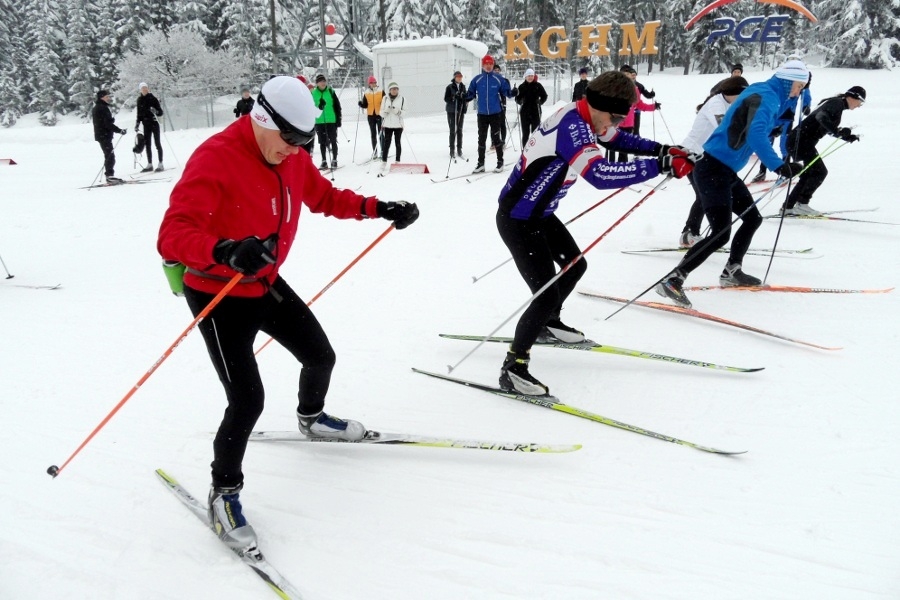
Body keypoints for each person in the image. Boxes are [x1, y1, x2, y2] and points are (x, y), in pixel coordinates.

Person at [156, 76, 419, 554]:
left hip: (265, 282)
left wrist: (378, 207)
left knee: (321, 356)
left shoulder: (291, 154)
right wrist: (225, 250)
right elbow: (173, 234)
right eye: (292, 139)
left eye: (307, 140)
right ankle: (225, 493)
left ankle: (311, 417)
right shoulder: (215, 158)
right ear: (262, 120)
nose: (298, 150)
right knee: (247, 399)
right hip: (219, 292)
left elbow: (323, 197)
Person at [495, 71, 695, 396]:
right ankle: (513, 368)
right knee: (544, 293)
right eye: (615, 116)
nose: (614, 123)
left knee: (575, 265)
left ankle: (548, 322)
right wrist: (661, 166)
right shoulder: (572, 126)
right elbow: (599, 174)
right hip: (519, 220)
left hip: (539, 214)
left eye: (622, 117)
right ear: (600, 106)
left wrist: (664, 150)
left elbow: (617, 138)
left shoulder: (587, 116)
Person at [655, 60, 811, 309]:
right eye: (798, 86)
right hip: (712, 168)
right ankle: (674, 279)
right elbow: (755, 134)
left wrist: (781, 120)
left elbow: (749, 124)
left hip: (724, 170)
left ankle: (732, 271)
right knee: (720, 233)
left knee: (752, 218)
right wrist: (779, 166)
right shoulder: (768, 97)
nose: (798, 91)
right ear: (788, 81)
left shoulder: (763, 91)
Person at [678, 76, 750, 248]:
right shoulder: (715, 104)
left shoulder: (730, 104)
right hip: (692, 153)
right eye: (741, 95)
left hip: (706, 156)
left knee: (705, 196)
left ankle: (691, 233)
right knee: (704, 196)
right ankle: (689, 234)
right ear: (732, 92)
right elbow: (723, 126)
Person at [782, 85, 864, 216]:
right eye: (861, 101)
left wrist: (845, 136)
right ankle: (801, 204)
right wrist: (837, 131)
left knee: (809, 174)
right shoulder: (836, 103)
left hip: (799, 141)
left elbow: (824, 125)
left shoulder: (836, 105)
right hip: (801, 142)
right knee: (820, 172)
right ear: (852, 97)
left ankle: (788, 207)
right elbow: (821, 117)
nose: (860, 105)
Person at [750, 73, 813, 184]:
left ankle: (786, 171)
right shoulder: (787, 82)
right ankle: (762, 171)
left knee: (784, 146)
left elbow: (806, 96)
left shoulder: (802, 85)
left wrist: (806, 106)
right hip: (775, 117)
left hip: (787, 119)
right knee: (766, 143)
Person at [466, 55, 516, 174]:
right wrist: (464, 96)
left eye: (490, 64)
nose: (488, 66)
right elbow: (470, 93)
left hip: (495, 113)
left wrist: (513, 92)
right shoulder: (477, 79)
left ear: (493, 65)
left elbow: (506, 93)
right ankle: (481, 163)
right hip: (482, 113)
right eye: (486, 64)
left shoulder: (498, 79)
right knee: (481, 139)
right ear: (483, 65)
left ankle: (500, 162)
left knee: (496, 138)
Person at [614, 65, 658, 162]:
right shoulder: (615, 87)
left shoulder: (636, 88)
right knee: (613, 145)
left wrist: (653, 106)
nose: (627, 76)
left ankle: (622, 167)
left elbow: (640, 104)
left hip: (628, 123)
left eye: (628, 74)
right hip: (615, 121)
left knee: (623, 147)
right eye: (624, 74)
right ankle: (612, 166)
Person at [92, 90, 127, 183]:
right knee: (110, 156)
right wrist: (120, 130)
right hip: (104, 135)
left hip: (101, 135)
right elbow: (106, 124)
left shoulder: (97, 107)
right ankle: (109, 176)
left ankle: (109, 175)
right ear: (102, 97)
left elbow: (102, 121)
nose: (108, 98)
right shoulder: (103, 108)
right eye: (107, 96)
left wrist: (110, 120)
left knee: (108, 155)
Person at [311, 74, 341, 169]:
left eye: (324, 81)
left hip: (331, 120)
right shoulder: (313, 93)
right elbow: (311, 107)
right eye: (320, 81)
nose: (323, 83)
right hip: (319, 121)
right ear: (317, 83)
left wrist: (338, 119)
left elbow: (337, 106)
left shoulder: (331, 91)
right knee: (322, 142)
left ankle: (334, 159)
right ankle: (324, 160)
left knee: (333, 140)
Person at [514, 68, 547, 147]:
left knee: (535, 132)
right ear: (525, 76)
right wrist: (520, 101)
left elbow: (544, 96)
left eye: (532, 76)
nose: (530, 77)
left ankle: (535, 149)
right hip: (524, 112)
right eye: (528, 76)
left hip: (535, 111)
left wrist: (540, 102)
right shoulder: (521, 87)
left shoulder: (538, 86)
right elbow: (517, 98)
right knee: (525, 132)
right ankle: (525, 149)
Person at [136, 82, 164, 172]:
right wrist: (137, 123)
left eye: (146, 88)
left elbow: (160, 112)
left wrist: (155, 111)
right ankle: (150, 164)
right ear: (140, 90)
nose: (144, 89)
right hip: (146, 124)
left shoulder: (153, 98)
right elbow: (139, 114)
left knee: (157, 143)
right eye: (143, 88)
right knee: (147, 144)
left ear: (148, 89)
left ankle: (160, 163)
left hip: (154, 123)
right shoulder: (139, 100)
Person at [358, 76, 383, 160]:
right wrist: (361, 104)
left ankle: (383, 151)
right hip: (371, 115)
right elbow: (365, 105)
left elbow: (385, 102)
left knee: (381, 134)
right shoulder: (367, 92)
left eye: (374, 82)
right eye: (372, 83)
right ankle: (375, 151)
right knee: (373, 134)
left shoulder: (380, 91)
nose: (373, 84)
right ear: (369, 84)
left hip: (379, 114)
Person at [444, 71, 468, 159]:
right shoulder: (450, 87)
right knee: (453, 130)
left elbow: (465, 99)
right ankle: (452, 150)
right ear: (454, 77)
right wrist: (454, 97)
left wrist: (463, 97)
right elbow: (446, 99)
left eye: (460, 76)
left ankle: (459, 149)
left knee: (460, 130)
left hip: (460, 111)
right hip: (451, 111)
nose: (459, 78)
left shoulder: (463, 87)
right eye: (457, 76)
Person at [379, 82, 404, 166]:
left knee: (398, 142)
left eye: (396, 89)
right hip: (388, 125)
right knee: (387, 143)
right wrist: (385, 111)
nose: (395, 91)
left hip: (398, 125)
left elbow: (405, 112)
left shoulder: (402, 99)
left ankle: (397, 161)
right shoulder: (385, 98)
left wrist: (398, 111)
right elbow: (381, 112)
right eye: (393, 89)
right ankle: (384, 161)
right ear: (389, 90)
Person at [492, 64, 513, 147]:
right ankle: (494, 142)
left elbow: (509, 93)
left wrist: (513, 92)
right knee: (493, 124)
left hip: (502, 104)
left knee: (502, 123)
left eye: (498, 70)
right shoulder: (490, 80)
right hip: (493, 105)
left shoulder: (504, 80)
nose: (496, 71)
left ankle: (503, 141)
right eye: (495, 70)